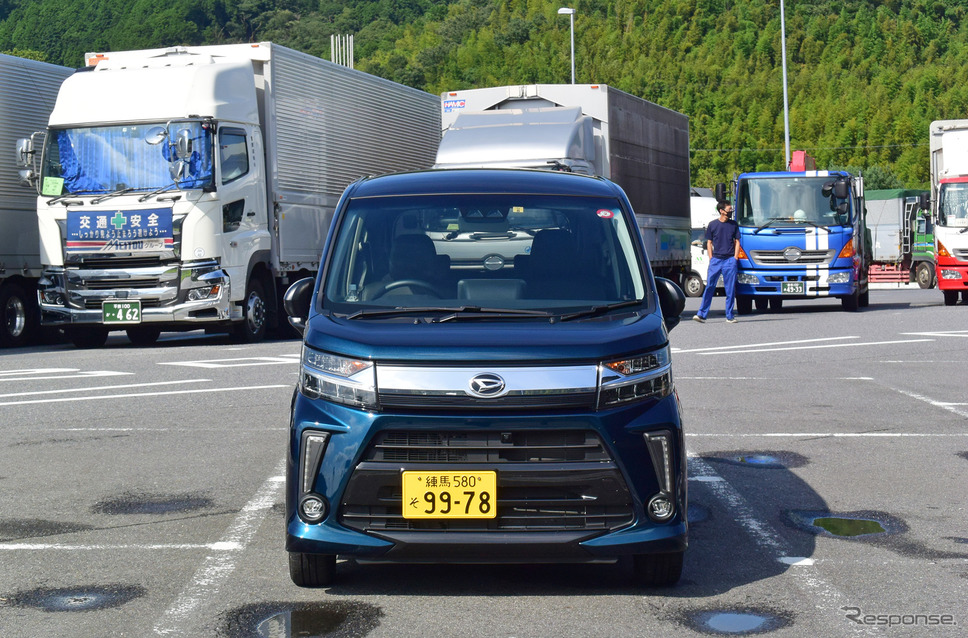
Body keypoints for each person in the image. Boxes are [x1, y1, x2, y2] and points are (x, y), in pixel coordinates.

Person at [693, 200, 741, 323]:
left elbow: (737, 241)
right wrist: (711, 257)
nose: (730, 212)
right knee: (709, 286)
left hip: (730, 260)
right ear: (721, 211)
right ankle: (701, 314)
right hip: (716, 260)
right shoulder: (713, 225)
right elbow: (709, 242)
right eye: (729, 210)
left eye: (731, 210)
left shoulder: (733, 224)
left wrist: (735, 257)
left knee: (730, 288)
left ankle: (729, 316)